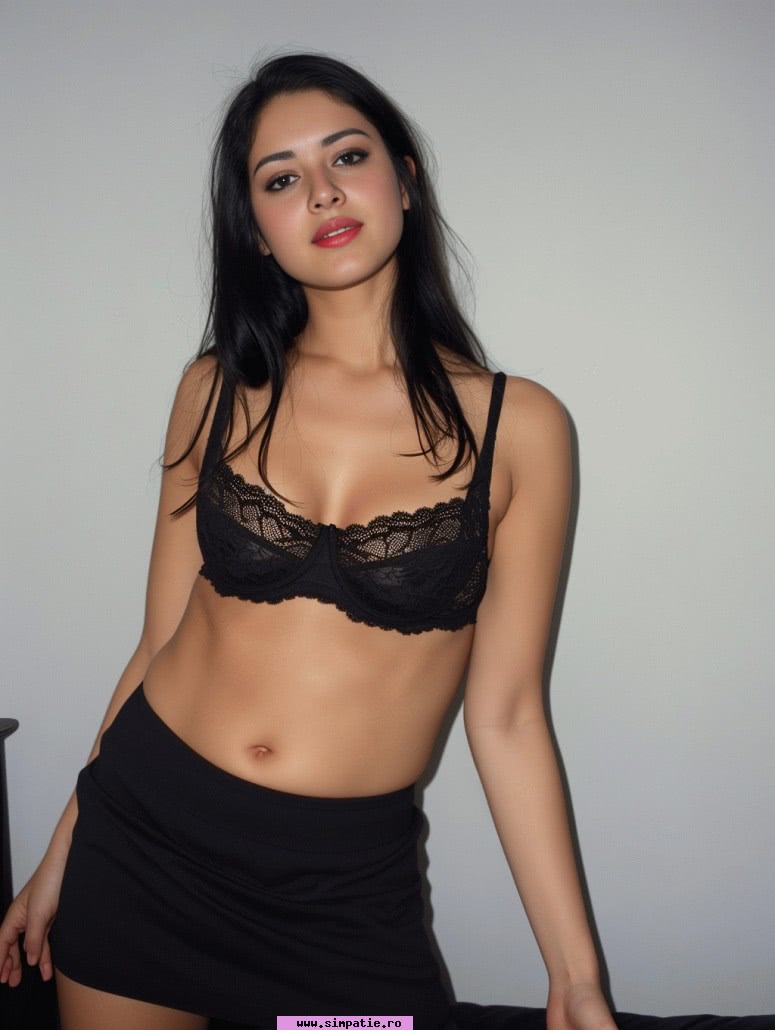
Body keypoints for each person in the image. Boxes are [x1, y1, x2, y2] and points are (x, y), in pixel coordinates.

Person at [0, 53, 771, 1030]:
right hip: (143, 842)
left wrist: (576, 978)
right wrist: (59, 855)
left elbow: (507, 716)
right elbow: (157, 645)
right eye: (280, 178)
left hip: (341, 900)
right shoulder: (214, 389)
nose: (321, 191)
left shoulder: (520, 429)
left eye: (347, 156)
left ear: (404, 179)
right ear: (258, 231)